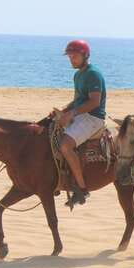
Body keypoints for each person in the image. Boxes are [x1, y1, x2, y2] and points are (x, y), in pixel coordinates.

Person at [56, 40, 107, 207]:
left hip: (93, 118)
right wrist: (63, 111)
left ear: (85, 55)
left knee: (65, 145)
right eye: (70, 56)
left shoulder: (93, 74)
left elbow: (94, 102)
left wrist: (72, 113)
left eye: (75, 56)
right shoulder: (78, 75)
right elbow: (78, 100)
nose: (71, 59)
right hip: (80, 115)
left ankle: (81, 188)